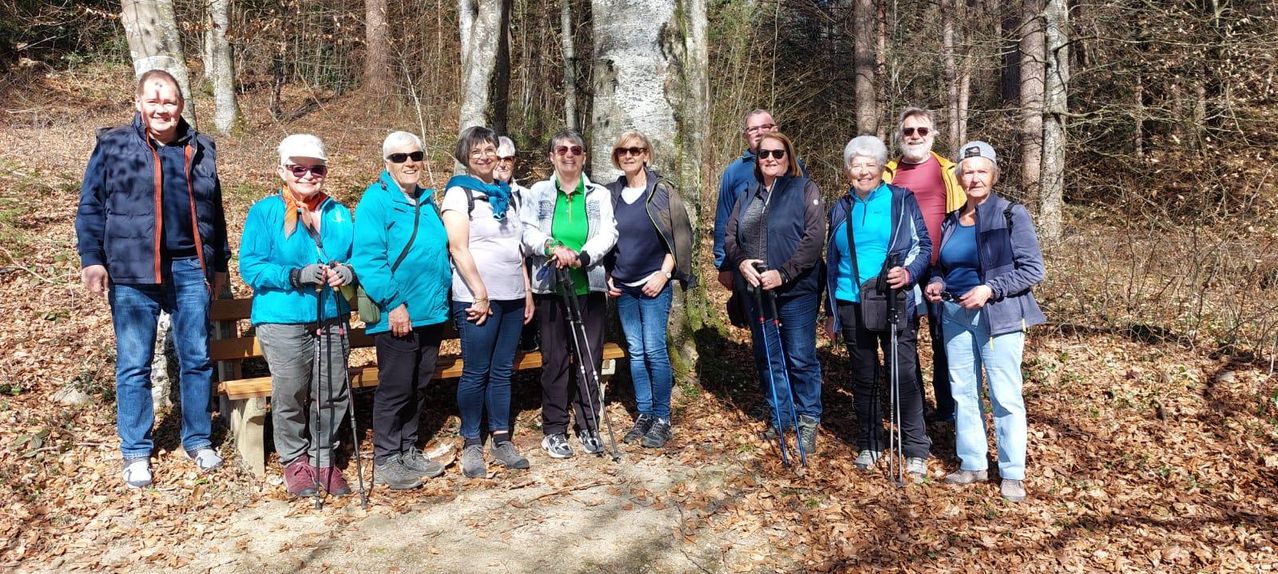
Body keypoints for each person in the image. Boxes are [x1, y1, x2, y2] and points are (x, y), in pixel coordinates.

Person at [76, 69, 230, 488]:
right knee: (133, 364)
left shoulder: (201, 148)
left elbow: (213, 212)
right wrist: (92, 259)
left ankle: (197, 440)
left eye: (170, 102)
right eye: (154, 101)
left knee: (197, 359)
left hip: (188, 267)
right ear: (140, 103)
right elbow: (91, 205)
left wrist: (218, 266)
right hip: (131, 270)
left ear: (181, 105)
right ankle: (136, 451)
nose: (162, 109)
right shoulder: (113, 145)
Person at [925, 141, 1045, 502]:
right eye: (968, 171)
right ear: (959, 178)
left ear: (993, 175)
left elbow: (1032, 270)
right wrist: (936, 282)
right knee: (963, 391)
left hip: (998, 318)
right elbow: (943, 266)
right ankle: (973, 462)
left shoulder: (1011, 214)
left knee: (1005, 395)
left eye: (981, 171)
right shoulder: (951, 220)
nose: (974, 178)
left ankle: (1012, 472)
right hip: (954, 316)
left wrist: (989, 289)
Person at [239, 134, 355, 497]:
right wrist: (293, 275)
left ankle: (324, 458)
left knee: (332, 390)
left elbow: (357, 257)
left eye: (315, 168)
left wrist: (347, 273)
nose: (307, 175)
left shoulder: (338, 213)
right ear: (283, 170)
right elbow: (250, 265)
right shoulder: (266, 212)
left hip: (331, 314)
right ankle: (295, 460)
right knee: (291, 390)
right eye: (298, 168)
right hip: (282, 317)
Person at [823, 135, 932, 480]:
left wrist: (909, 273)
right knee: (864, 377)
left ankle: (915, 449)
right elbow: (832, 259)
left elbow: (923, 245)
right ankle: (870, 442)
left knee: (904, 375)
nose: (864, 171)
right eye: (857, 165)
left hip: (894, 299)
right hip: (850, 301)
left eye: (871, 165)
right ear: (847, 171)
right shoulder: (840, 208)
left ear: (883, 168)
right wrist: (831, 312)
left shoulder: (901, 200)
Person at [351, 131, 451, 490]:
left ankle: (408, 449)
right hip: (398, 313)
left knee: (419, 384)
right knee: (395, 387)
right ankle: (387, 457)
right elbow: (368, 259)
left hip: (431, 312)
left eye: (415, 154)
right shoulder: (375, 202)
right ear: (387, 163)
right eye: (399, 157)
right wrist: (394, 304)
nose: (409, 162)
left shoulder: (426, 201)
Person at [440, 126, 533, 478]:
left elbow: (517, 249)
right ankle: (471, 443)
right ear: (465, 156)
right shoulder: (458, 194)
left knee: (502, 371)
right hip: (477, 298)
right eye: (476, 150)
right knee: (476, 370)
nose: (484, 155)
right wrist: (480, 293)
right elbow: (458, 249)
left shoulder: (504, 195)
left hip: (511, 296)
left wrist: (525, 291)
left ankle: (501, 438)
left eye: (489, 149)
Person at [724, 132, 825, 455]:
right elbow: (730, 237)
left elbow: (813, 239)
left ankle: (808, 418)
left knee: (799, 356)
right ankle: (781, 415)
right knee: (768, 356)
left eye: (777, 154)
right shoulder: (748, 193)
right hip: (756, 290)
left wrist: (783, 274)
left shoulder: (804, 189)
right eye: (764, 154)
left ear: (788, 157)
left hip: (797, 290)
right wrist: (740, 263)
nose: (770, 159)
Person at [520, 129, 618, 459]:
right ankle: (554, 430)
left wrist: (583, 256)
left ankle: (589, 426)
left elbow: (608, 232)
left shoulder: (599, 195)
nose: (568, 154)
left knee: (589, 360)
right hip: (551, 287)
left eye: (576, 149)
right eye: (561, 149)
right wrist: (552, 246)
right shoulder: (538, 192)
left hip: (588, 286)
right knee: (555, 360)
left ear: (584, 156)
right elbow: (528, 231)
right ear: (552, 156)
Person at [602, 130, 694, 449]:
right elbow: (601, 237)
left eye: (635, 150)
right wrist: (608, 275)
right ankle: (644, 414)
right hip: (623, 286)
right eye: (623, 151)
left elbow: (681, 236)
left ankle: (663, 417)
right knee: (636, 352)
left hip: (654, 283)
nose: (629, 155)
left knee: (654, 350)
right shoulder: (610, 193)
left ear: (646, 154)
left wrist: (664, 273)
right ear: (617, 157)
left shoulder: (662, 191)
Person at [883, 107, 966, 422]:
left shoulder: (950, 171)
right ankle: (913, 409)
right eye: (908, 131)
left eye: (921, 130)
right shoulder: (887, 173)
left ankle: (949, 409)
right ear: (900, 135)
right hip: (900, 269)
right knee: (904, 338)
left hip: (941, 269)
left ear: (933, 134)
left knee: (945, 338)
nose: (915, 136)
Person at [713, 109, 781, 290]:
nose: (760, 132)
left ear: (776, 129)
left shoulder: (795, 168)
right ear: (745, 136)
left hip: (787, 265)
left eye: (765, 126)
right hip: (746, 266)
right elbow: (723, 219)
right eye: (753, 129)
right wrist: (723, 264)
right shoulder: (734, 172)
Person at [495, 136, 540, 354]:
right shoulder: (476, 195)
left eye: (508, 158)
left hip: (527, 268)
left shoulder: (527, 195)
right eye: (498, 158)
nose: (502, 163)